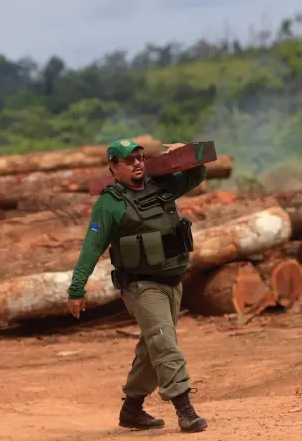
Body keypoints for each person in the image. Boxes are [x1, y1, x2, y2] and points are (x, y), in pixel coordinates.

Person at [66, 138, 208, 433]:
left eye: (140, 158)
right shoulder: (110, 204)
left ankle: (131, 410)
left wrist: (184, 155)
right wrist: (76, 289)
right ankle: (185, 409)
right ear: (114, 167)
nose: (137, 164)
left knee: (152, 346)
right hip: (141, 285)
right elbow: (91, 247)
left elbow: (196, 175)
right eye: (129, 161)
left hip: (172, 280)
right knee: (163, 342)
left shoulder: (161, 185)